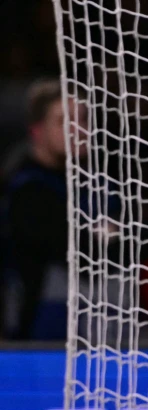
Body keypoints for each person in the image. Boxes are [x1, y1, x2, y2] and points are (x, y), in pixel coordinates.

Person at [3, 80, 77, 340]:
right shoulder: (25, 188)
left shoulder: (99, 186)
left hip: (100, 335)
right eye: (62, 121)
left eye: (84, 119)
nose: (77, 129)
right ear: (37, 131)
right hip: (37, 338)